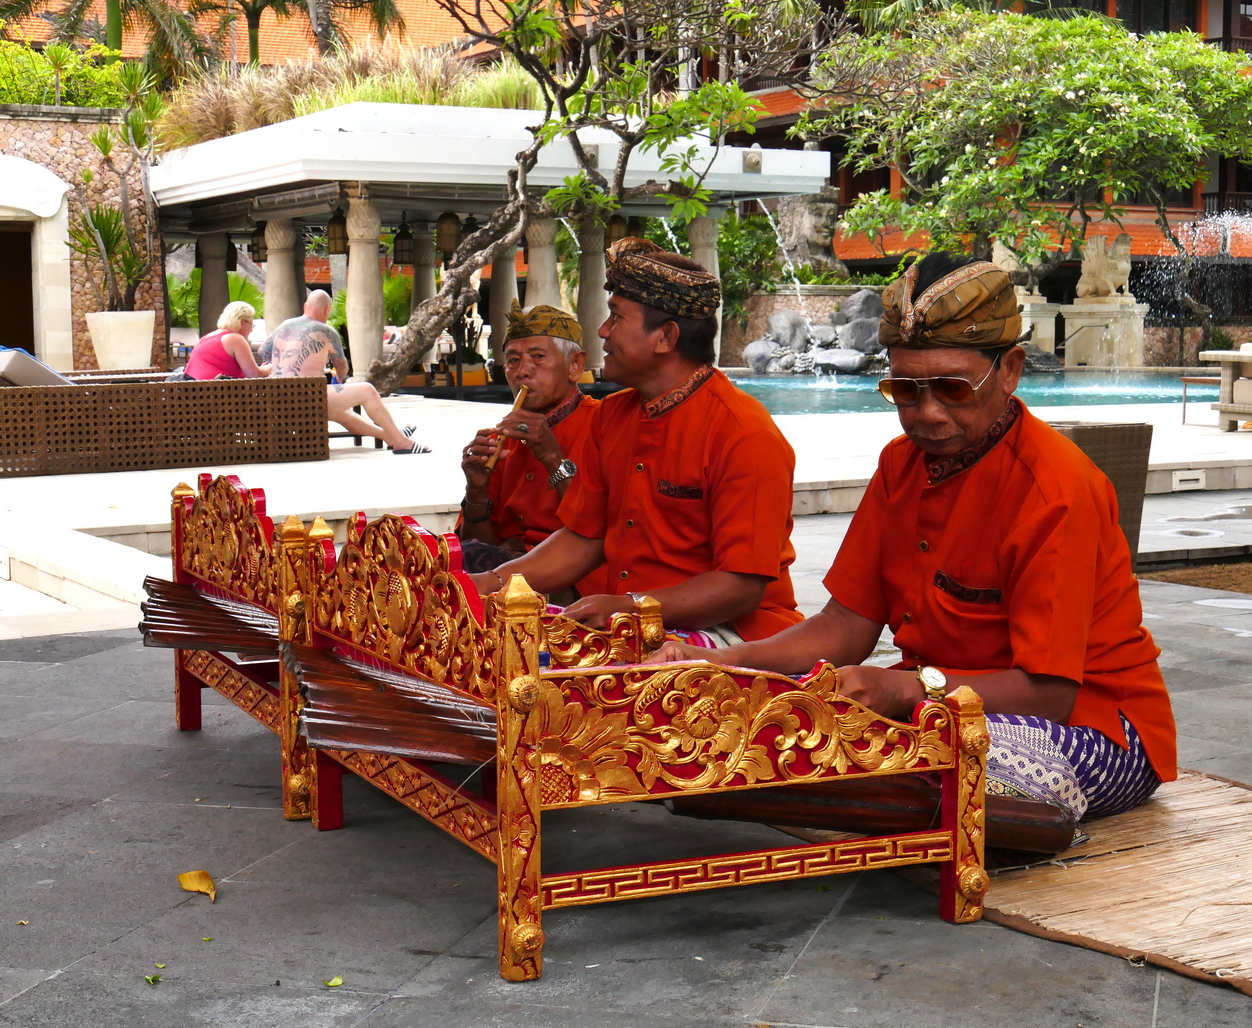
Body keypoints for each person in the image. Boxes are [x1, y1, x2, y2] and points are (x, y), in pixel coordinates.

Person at [651, 254, 1177, 824]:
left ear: (1011, 370)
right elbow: (845, 628)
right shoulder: (900, 465)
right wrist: (729, 664)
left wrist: (907, 693)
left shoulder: (1056, 489)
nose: (926, 414)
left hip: (1095, 724)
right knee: (763, 714)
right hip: (938, 703)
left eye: (952, 389)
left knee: (944, 760)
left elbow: (1050, 695)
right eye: (904, 390)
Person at [468, 237, 802, 644]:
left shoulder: (744, 433)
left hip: (731, 632)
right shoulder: (613, 415)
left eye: (616, 318)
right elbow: (582, 538)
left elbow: (742, 588)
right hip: (630, 618)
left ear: (665, 337)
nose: (602, 331)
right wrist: (489, 582)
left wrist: (626, 607)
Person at [457, 300, 605, 594]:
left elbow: (600, 528)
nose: (522, 371)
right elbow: (479, 547)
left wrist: (551, 456)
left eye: (538, 357)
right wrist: (476, 491)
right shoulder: (505, 437)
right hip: (507, 576)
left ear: (575, 365)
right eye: (512, 360)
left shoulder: (604, 424)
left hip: (577, 583)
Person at [263, 291, 429, 454]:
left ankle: (392, 437)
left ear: (305, 306)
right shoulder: (326, 331)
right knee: (367, 391)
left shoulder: (284, 326)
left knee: (343, 414)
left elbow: (264, 351)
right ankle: (402, 442)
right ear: (327, 310)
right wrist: (338, 380)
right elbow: (342, 368)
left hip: (278, 399)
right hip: (305, 399)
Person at [184, 301, 268, 380]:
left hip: (194, 391)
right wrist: (275, 367)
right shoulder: (235, 339)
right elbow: (254, 374)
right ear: (242, 322)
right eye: (251, 325)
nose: (251, 330)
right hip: (216, 392)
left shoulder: (207, 337)